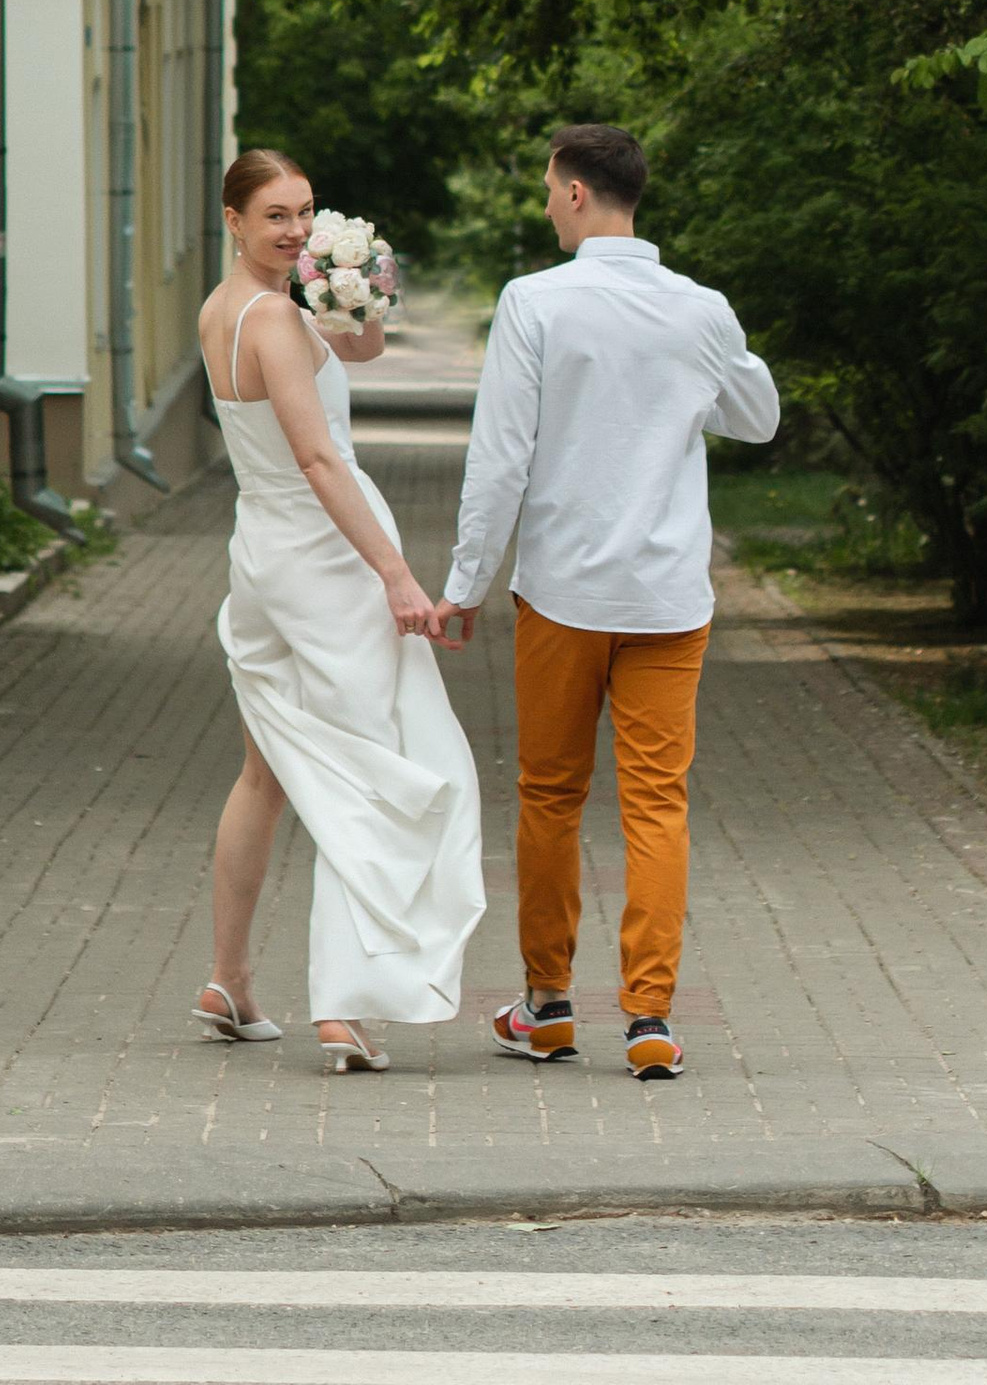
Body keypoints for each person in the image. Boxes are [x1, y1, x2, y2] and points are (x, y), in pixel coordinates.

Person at [438, 121, 778, 1081]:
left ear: (579, 192)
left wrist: (465, 584)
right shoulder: (701, 309)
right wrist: (686, 385)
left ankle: (547, 1008)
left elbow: (500, 458)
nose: (548, 204)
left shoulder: (535, 302)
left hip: (564, 594)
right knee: (657, 803)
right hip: (668, 598)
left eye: (551, 189)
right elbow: (758, 416)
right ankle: (650, 1019)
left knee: (550, 796)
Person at [193, 148, 484, 1073]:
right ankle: (345, 1006)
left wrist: (355, 292)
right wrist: (395, 574)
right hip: (326, 562)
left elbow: (360, 350)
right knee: (368, 772)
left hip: (264, 555)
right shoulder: (274, 320)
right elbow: (320, 460)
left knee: (266, 774)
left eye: (306, 212)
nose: (295, 230)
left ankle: (228, 981)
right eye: (275, 215)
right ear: (234, 220)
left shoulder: (227, 308)